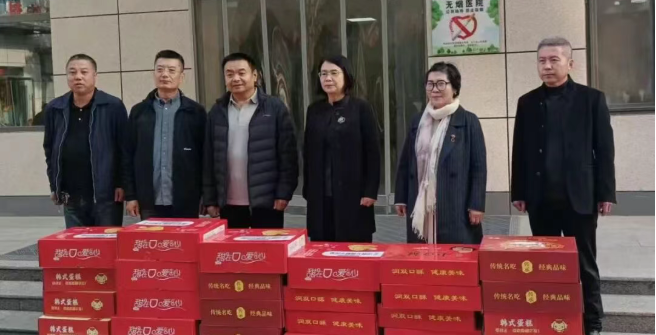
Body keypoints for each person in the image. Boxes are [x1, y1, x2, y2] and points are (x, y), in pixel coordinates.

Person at [511, 37, 616, 335]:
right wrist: (519, 191)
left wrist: (606, 192)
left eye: (554, 60)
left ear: (570, 63)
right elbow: (520, 150)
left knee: (584, 263)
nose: (547, 66)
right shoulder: (527, 102)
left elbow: (604, 149)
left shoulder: (591, 99)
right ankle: (550, 321)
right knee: (544, 265)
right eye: (542, 60)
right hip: (541, 199)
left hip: (580, 197)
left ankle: (592, 326)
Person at [394, 62, 487, 244]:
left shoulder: (468, 121)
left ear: (455, 88)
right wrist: (401, 198)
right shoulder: (418, 121)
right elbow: (406, 162)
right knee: (421, 253)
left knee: (455, 254)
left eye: (441, 84)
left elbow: (478, 167)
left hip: (456, 203)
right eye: (430, 84)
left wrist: (476, 204)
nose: (435, 89)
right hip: (420, 202)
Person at [203, 52, 299, 228]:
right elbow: (208, 158)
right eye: (229, 74)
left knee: (266, 245)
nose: (236, 78)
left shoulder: (274, 108)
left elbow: (288, 156)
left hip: (267, 201)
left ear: (255, 75)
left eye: (241, 73)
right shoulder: (217, 111)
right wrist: (210, 198)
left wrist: (284, 193)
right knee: (233, 246)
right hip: (229, 202)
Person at [43, 54, 127, 228]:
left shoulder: (112, 106)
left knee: (106, 242)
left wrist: (122, 183)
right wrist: (54, 185)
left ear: (95, 75)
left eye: (84, 72)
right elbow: (50, 150)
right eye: (72, 72)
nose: (78, 77)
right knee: (77, 243)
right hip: (71, 195)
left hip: (106, 196)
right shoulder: (55, 108)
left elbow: (124, 148)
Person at [303, 55, 381, 243]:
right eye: (323, 74)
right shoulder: (314, 110)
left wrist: (370, 191)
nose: (328, 78)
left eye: (334, 73)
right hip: (320, 195)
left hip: (354, 194)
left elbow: (372, 152)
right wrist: (308, 189)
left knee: (353, 245)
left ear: (346, 76)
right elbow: (307, 152)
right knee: (321, 246)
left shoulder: (361, 108)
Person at [121, 50, 207, 220]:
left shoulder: (196, 112)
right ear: (153, 74)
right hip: (148, 200)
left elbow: (205, 157)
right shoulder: (139, 112)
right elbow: (127, 155)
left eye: (171, 70)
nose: (165, 74)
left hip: (186, 200)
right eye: (160, 70)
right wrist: (131, 196)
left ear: (181, 77)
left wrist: (206, 196)